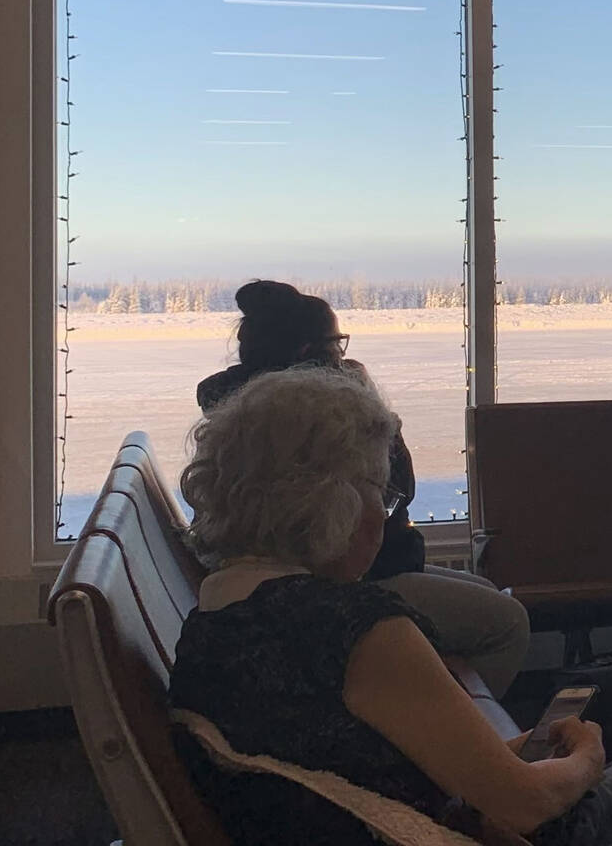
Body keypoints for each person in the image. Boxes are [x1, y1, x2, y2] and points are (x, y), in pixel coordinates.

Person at [170, 367, 612, 846]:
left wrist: (503, 756)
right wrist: (588, 758)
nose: (385, 514)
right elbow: (525, 806)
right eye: (382, 492)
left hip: (353, 818)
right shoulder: (359, 632)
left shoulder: (220, 612)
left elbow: (367, 750)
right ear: (334, 504)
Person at [197, 280, 530, 696]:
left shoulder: (239, 414)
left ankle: (436, 693)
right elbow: (397, 489)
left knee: (483, 592)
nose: (343, 354)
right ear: (309, 354)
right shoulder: (319, 420)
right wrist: (366, 402)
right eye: (337, 345)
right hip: (339, 581)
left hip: (303, 578)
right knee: (508, 623)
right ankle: (452, 716)